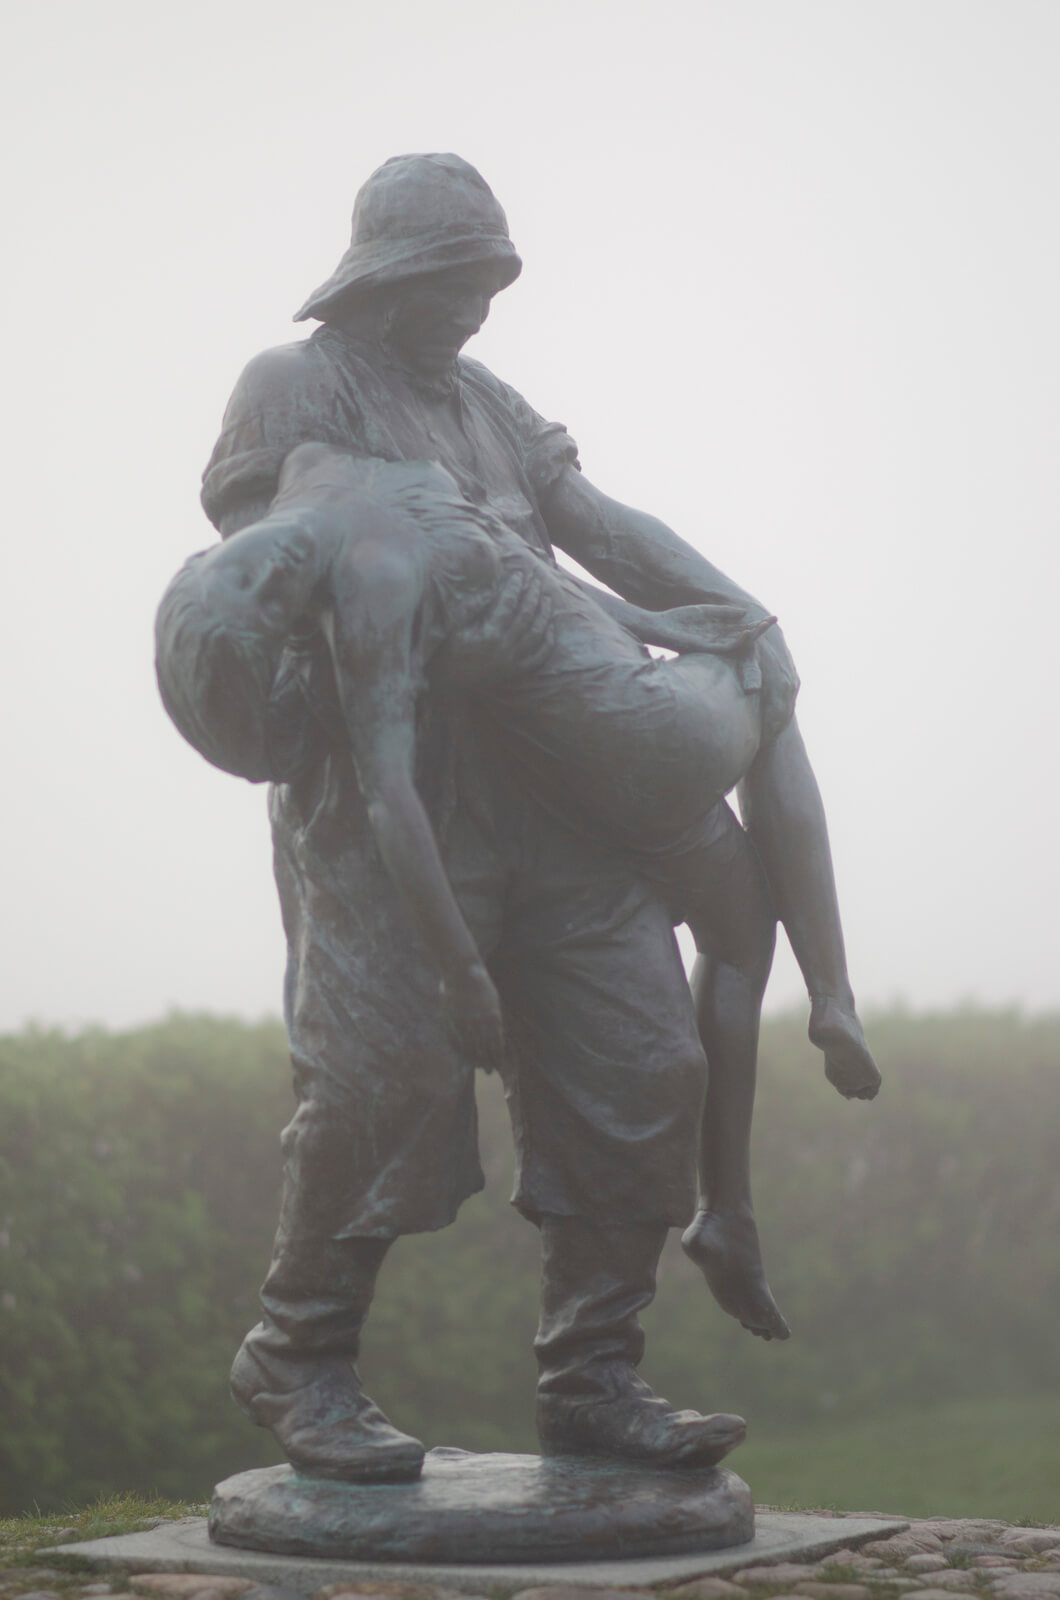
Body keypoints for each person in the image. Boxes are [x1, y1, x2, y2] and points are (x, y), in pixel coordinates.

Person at [156, 153, 877, 1484]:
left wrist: (748, 618)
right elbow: (267, 582)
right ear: (387, 274)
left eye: (491, 281)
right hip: (396, 797)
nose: (477, 307)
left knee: (644, 1063)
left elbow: (598, 528)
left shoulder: (486, 403)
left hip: (562, 786)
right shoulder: (294, 385)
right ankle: (297, 1354)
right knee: (391, 1078)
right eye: (455, 280)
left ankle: (594, 1370)